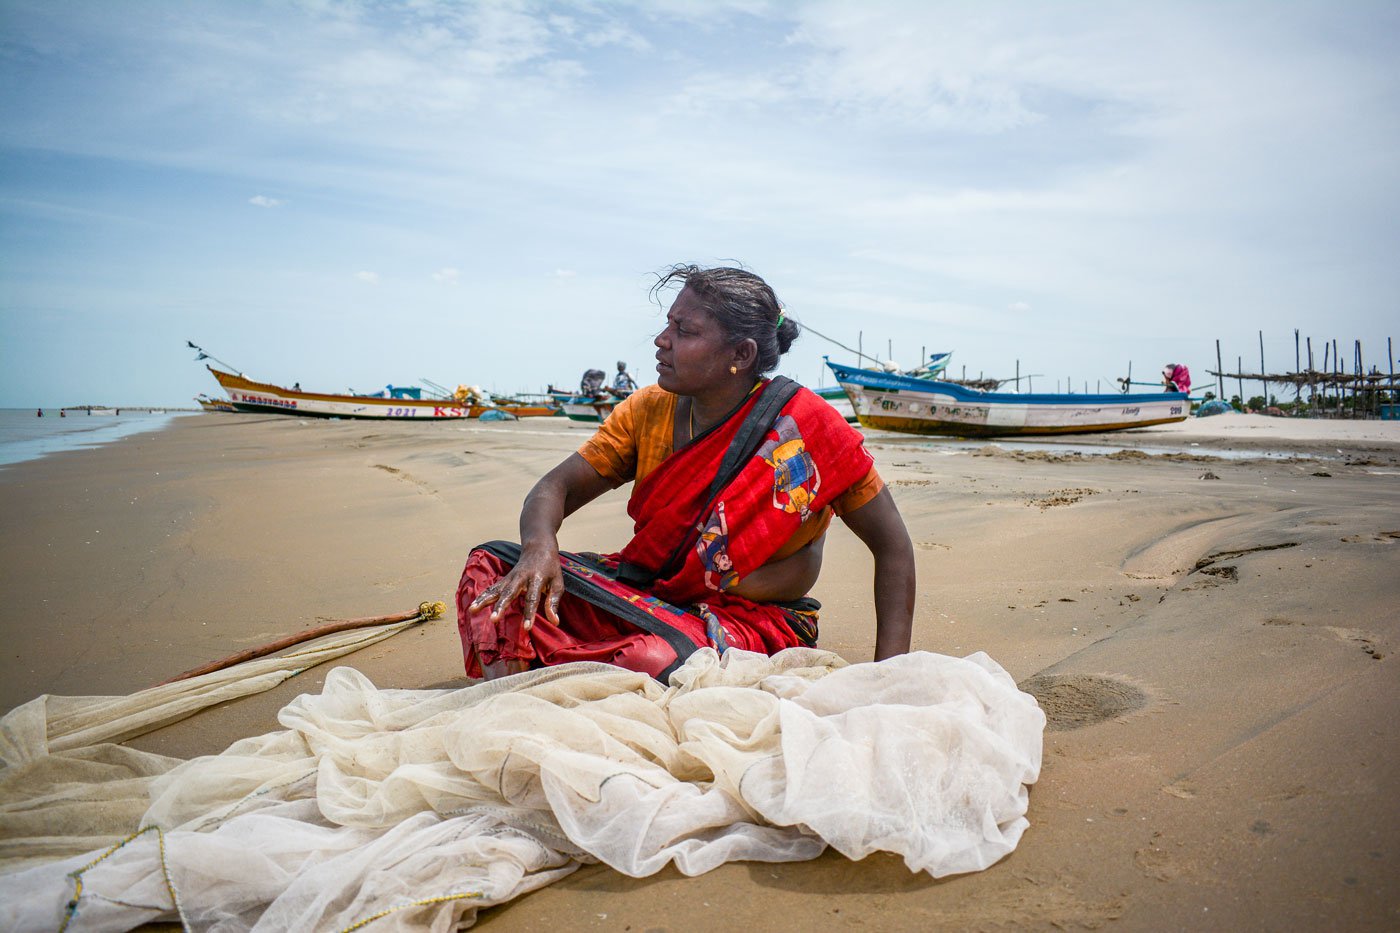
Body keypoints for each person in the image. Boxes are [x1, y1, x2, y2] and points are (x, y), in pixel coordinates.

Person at [457, 264, 916, 682]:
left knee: (650, 661)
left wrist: (887, 677)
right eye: (668, 324)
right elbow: (554, 488)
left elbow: (893, 547)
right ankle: (515, 688)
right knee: (493, 569)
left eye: (684, 330)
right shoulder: (646, 411)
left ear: (741, 352)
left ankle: (559, 670)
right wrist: (539, 549)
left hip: (749, 620)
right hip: (647, 596)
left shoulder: (808, 428)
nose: (662, 340)